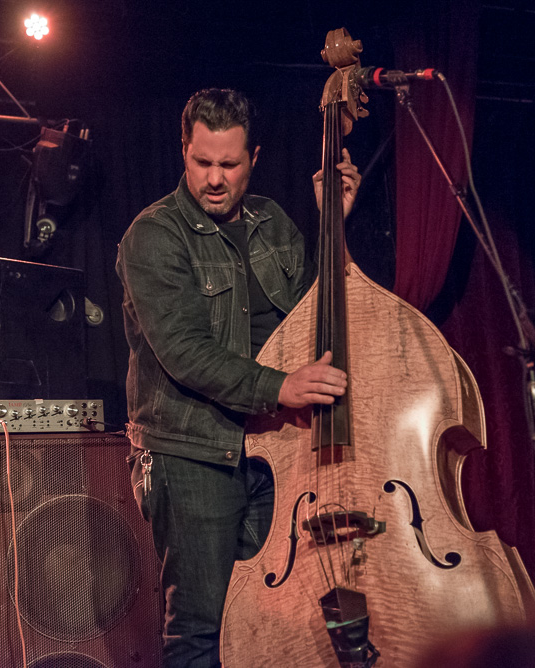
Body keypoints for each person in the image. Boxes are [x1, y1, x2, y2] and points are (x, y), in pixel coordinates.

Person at [115, 88, 360, 667]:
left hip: (273, 453)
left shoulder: (273, 222)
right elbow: (184, 351)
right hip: (193, 454)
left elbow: (315, 318)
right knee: (202, 627)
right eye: (202, 163)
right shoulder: (154, 235)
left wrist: (334, 228)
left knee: (276, 615)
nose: (215, 179)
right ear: (184, 151)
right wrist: (280, 388)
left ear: (255, 156)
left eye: (229, 164)